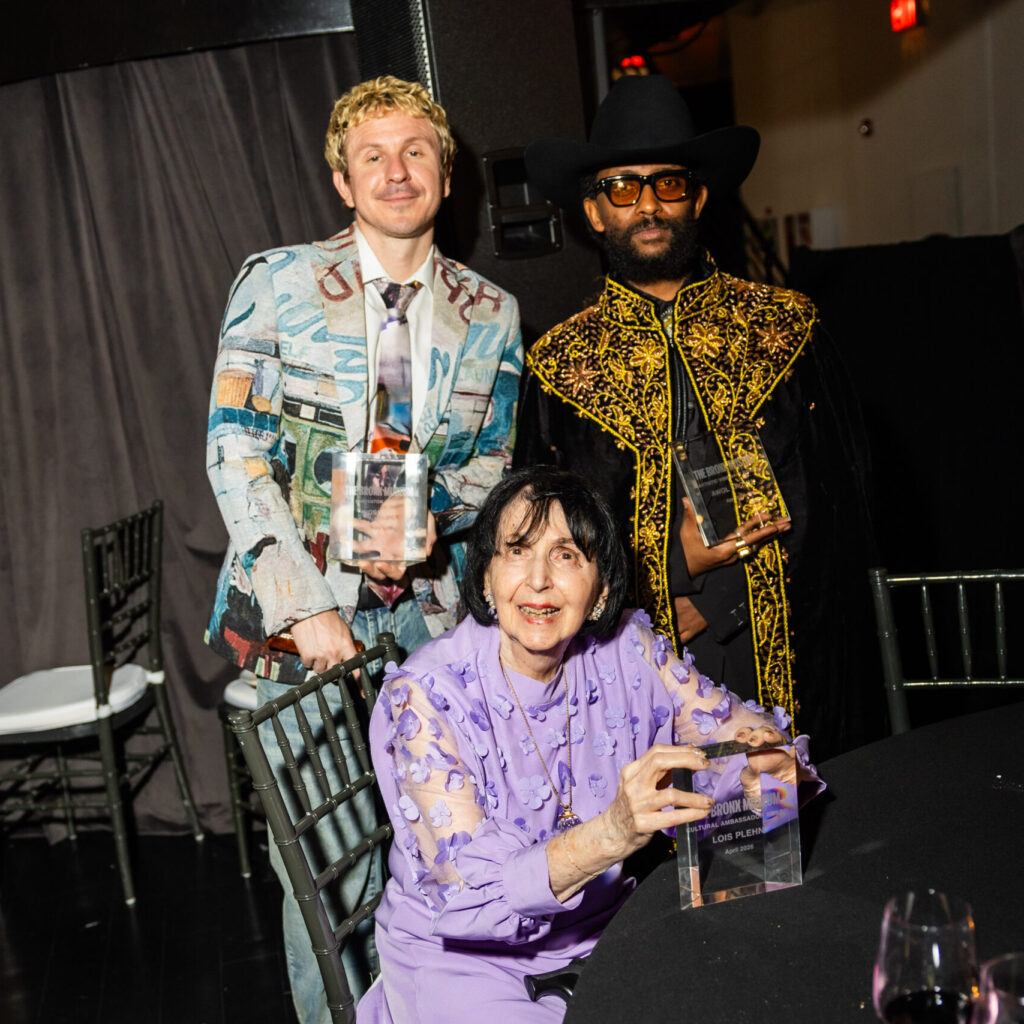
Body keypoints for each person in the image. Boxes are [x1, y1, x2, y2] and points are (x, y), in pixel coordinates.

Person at [205, 76, 522, 1022]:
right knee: (333, 888)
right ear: (343, 181)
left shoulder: (492, 311)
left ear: (445, 175)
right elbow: (234, 450)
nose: (396, 170)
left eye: (416, 151)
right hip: (294, 640)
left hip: (426, 640)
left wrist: (441, 522)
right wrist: (307, 606)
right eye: (373, 155)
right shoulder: (278, 283)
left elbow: (491, 466)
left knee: (440, 861)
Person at [360, 466, 822, 1023]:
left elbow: (734, 735)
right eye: (516, 551)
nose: (537, 581)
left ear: (601, 591)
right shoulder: (424, 697)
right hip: (464, 961)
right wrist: (613, 832)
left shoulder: (629, 648)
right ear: (485, 577)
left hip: (607, 934)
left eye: (566, 555)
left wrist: (761, 770)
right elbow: (469, 894)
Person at [515, 74, 877, 759]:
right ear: (594, 212)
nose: (648, 204)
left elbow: (840, 506)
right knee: (675, 856)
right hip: (638, 673)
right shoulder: (559, 369)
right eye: (623, 187)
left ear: (699, 197)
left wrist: (717, 600)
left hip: (789, 659)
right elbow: (541, 546)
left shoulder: (787, 330)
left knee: (811, 849)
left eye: (668, 183)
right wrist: (665, 578)